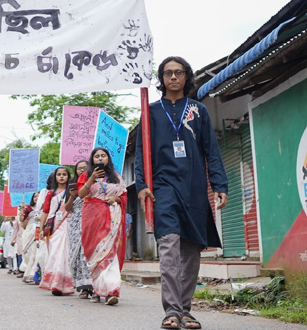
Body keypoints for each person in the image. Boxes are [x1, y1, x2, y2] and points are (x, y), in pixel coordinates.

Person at [135, 56, 228, 330]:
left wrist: (220, 185)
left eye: (178, 72)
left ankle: (185, 311)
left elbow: (212, 149)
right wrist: (141, 185)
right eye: (167, 73)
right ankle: (172, 311)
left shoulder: (198, 110)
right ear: (161, 79)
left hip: (195, 189)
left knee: (190, 252)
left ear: (186, 76)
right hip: (164, 189)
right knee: (169, 248)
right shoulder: (149, 111)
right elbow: (142, 152)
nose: (173, 77)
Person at [78, 147, 127, 306]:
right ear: (92, 160)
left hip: (112, 218)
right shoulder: (86, 176)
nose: (100, 159)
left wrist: (116, 200)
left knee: (110, 254)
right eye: (96, 156)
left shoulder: (117, 177)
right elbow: (81, 194)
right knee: (95, 255)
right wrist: (91, 178)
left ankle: (112, 291)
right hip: (92, 219)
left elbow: (124, 196)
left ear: (108, 159)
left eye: (103, 156)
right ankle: (98, 290)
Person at [38, 167, 75, 296]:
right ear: (55, 177)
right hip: (53, 226)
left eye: (64, 174)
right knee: (54, 253)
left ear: (68, 176)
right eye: (59, 175)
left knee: (64, 253)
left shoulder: (71, 191)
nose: (61, 177)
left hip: (67, 224)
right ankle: (54, 282)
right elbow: (45, 211)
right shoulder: (51, 193)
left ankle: (61, 284)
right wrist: (41, 228)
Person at [66, 177, 94, 299]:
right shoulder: (73, 188)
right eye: (79, 168)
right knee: (79, 255)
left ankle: (96, 286)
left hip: (92, 221)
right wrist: (72, 196)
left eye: (84, 168)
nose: (82, 170)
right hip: (76, 225)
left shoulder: (95, 185)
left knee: (90, 254)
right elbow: (67, 208)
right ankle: (84, 288)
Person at [19, 192, 40, 283]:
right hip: (29, 233)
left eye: (38, 196)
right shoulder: (28, 208)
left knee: (37, 255)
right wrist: (22, 209)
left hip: (39, 233)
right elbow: (21, 220)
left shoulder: (44, 208)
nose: (36, 198)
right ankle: (29, 272)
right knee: (27, 254)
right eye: (35, 196)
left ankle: (35, 275)